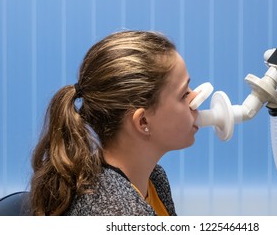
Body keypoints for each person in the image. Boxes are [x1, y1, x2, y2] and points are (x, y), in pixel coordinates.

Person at [30, 30, 199, 216]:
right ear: (143, 122)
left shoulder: (154, 179)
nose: (195, 99)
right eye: (184, 94)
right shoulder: (114, 211)